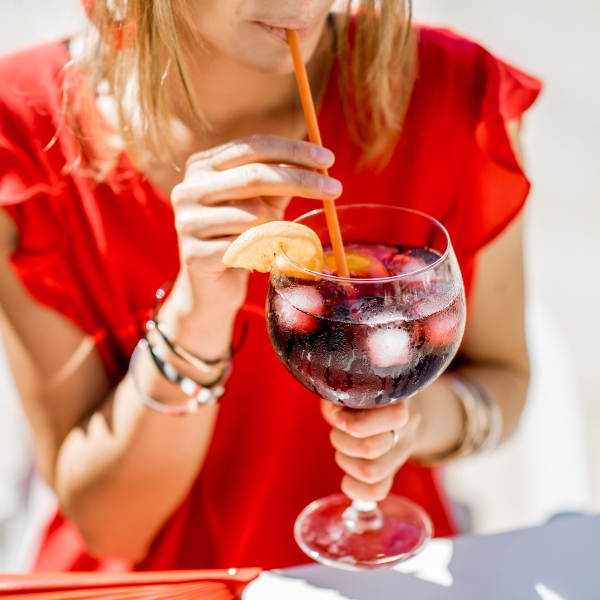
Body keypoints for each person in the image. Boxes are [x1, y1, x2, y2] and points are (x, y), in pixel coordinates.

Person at [0, 0, 540, 572]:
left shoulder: (454, 94)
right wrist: (195, 315)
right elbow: (112, 528)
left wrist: (422, 421)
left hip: (379, 572)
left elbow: (505, 377)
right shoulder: (25, 134)